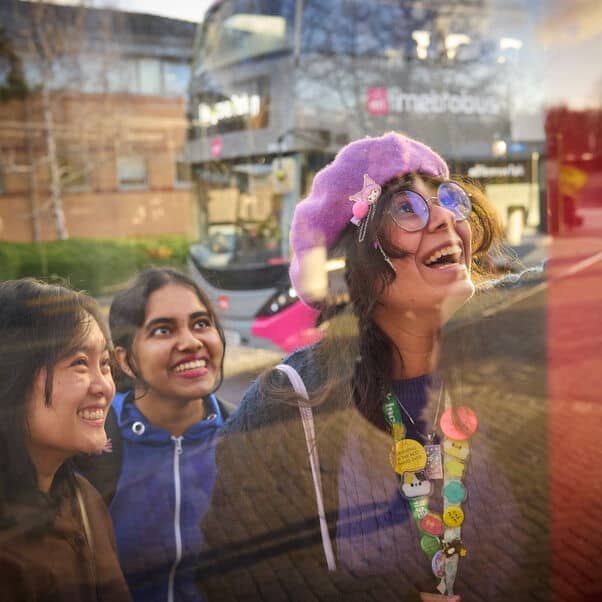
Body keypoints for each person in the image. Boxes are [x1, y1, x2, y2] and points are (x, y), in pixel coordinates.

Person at [196, 132, 549, 601]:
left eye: (447, 198)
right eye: (407, 207)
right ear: (354, 262)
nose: (445, 218)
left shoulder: (515, 339)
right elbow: (231, 577)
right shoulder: (290, 403)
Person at [77, 267, 233, 602]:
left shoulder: (248, 432)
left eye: (201, 324)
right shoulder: (90, 442)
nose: (191, 342)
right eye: (163, 330)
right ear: (126, 361)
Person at [0, 278, 131, 601]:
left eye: (104, 364)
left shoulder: (82, 499)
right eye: (78, 363)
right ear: (11, 377)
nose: (103, 387)